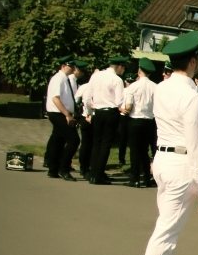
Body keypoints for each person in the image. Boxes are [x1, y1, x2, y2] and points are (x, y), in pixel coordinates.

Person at [136, 32, 198, 255]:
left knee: (168, 224)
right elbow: (196, 144)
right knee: (166, 230)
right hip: (181, 163)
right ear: (193, 61)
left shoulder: (162, 88)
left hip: (163, 158)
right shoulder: (191, 97)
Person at [88, 56, 127, 185]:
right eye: (123, 67)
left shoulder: (96, 76)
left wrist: (89, 110)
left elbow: (88, 95)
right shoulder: (117, 80)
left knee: (96, 143)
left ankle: (93, 173)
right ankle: (98, 175)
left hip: (98, 111)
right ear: (119, 66)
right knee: (106, 144)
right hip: (110, 112)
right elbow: (119, 101)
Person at [43, 55, 80, 182]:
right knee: (73, 140)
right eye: (71, 66)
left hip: (62, 113)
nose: (73, 69)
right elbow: (55, 98)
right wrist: (67, 115)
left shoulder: (65, 79)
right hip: (58, 113)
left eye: (74, 66)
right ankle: (63, 168)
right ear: (63, 66)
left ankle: (53, 168)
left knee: (58, 140)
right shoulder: (58, 79)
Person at [123, 59, 158, 188]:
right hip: (149, 120)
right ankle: (147, 178)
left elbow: (128, 106)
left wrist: (123, 110)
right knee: (144, 150)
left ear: (139, 70)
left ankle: (135, 178)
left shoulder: (133, 87)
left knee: (135, 150)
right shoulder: (155, 87)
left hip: (135, 119)